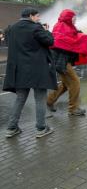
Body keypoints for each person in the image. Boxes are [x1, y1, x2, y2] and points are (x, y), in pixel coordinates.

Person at [3, 8, 56, 138]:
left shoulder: (11, 28)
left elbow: (9, 43)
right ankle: (41, 128)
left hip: (19, 71)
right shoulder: (36, 28)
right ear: (31, 16)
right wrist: (46, 30)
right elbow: (50, 41)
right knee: (40, 99)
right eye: (37, 16)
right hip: (37, 70)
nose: (39, 19)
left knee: (20, 99)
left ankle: (11, 128)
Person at [47, 9, 87, 116]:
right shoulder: (61, 26)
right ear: (68, 18)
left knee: (65, 84)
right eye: (73, 18)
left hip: (63, 60)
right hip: (61, 61)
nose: (75, 20)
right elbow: (62, 42)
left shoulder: (67, 27)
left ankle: (49, 101)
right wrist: (77, 39)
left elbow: (69, 38)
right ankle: (73, 108)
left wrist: (78, 35)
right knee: (75, 82)